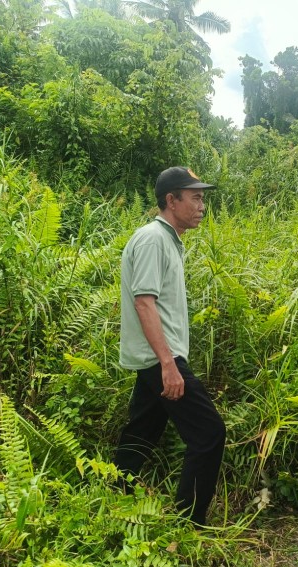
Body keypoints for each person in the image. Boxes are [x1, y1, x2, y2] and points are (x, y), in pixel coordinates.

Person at [113, 166, 226, 526]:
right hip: (160, 357)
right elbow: (143, 302)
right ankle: (189, 524)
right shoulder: (153, 239)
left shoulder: (167, 240)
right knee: (209, 434)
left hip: (157, 356)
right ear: (170, 200)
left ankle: (113, 495)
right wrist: (168, 364)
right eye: (194, 197)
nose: (201, 206)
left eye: (202, 198)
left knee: (143, 431)